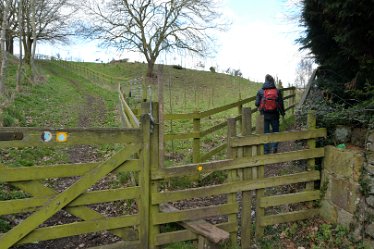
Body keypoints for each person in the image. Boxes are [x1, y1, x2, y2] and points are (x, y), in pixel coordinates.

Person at [255, 74, 285, 154]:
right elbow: (281, 104)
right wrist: (283, 113)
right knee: (276, 131)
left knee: (266, 133)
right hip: (275, 115)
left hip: (264, 115)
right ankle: (274, 147)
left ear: (265, 81)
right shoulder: (277, 91)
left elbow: (256, 103)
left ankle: (266, 150)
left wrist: (261, 105)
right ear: (273, 81)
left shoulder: (260, 91)